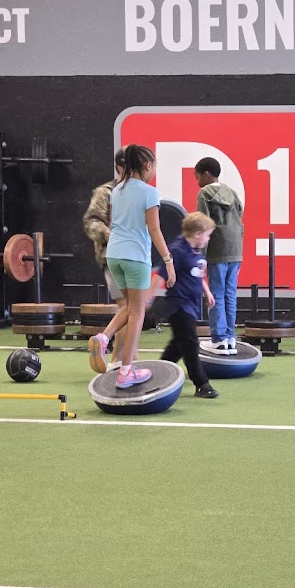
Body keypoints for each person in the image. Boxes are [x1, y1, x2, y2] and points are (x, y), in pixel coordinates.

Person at [87, 144, 175, 388]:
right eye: (154, 165)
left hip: (113, 256)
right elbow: (154, 229)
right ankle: (126, 371)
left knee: (130, 306)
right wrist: (168, 261)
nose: (155, 170)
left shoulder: (117, 191)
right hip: (135, 257)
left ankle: (103, 337)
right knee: (138, 311)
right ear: (147, 165)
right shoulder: (150, 192)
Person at [153, 211, 220, 399]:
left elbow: (197, 273)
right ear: (197, 234)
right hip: (178, 305)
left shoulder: (196, 250)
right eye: (207, 235)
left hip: (191, 304)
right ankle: (202, 384)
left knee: (178, 344)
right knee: (190, 342)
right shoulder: (177, 250)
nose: (208, 239)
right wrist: (148, 299)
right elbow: (161, 275)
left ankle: (159, 375)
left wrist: (207, 292)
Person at [82, 148, 128, 368]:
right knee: (129, 307)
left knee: (131, 308)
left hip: (134, 256)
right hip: (113, 256)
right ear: (120, 167)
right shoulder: (105, 192)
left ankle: (126, 357)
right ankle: (118, 359)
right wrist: (109, 234)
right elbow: (90, 222)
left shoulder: (139, 192)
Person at [194, 156, 244, 355]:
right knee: (230, 294)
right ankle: (230, 338)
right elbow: (240, 216)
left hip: (216, 250)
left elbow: (202, 225)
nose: (197, 181)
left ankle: (219, 339)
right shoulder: (232, 193)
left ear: (206, 175)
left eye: (198, 177)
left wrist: (200, 256)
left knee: (216, 294)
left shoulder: (204, 193)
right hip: (235, 250)